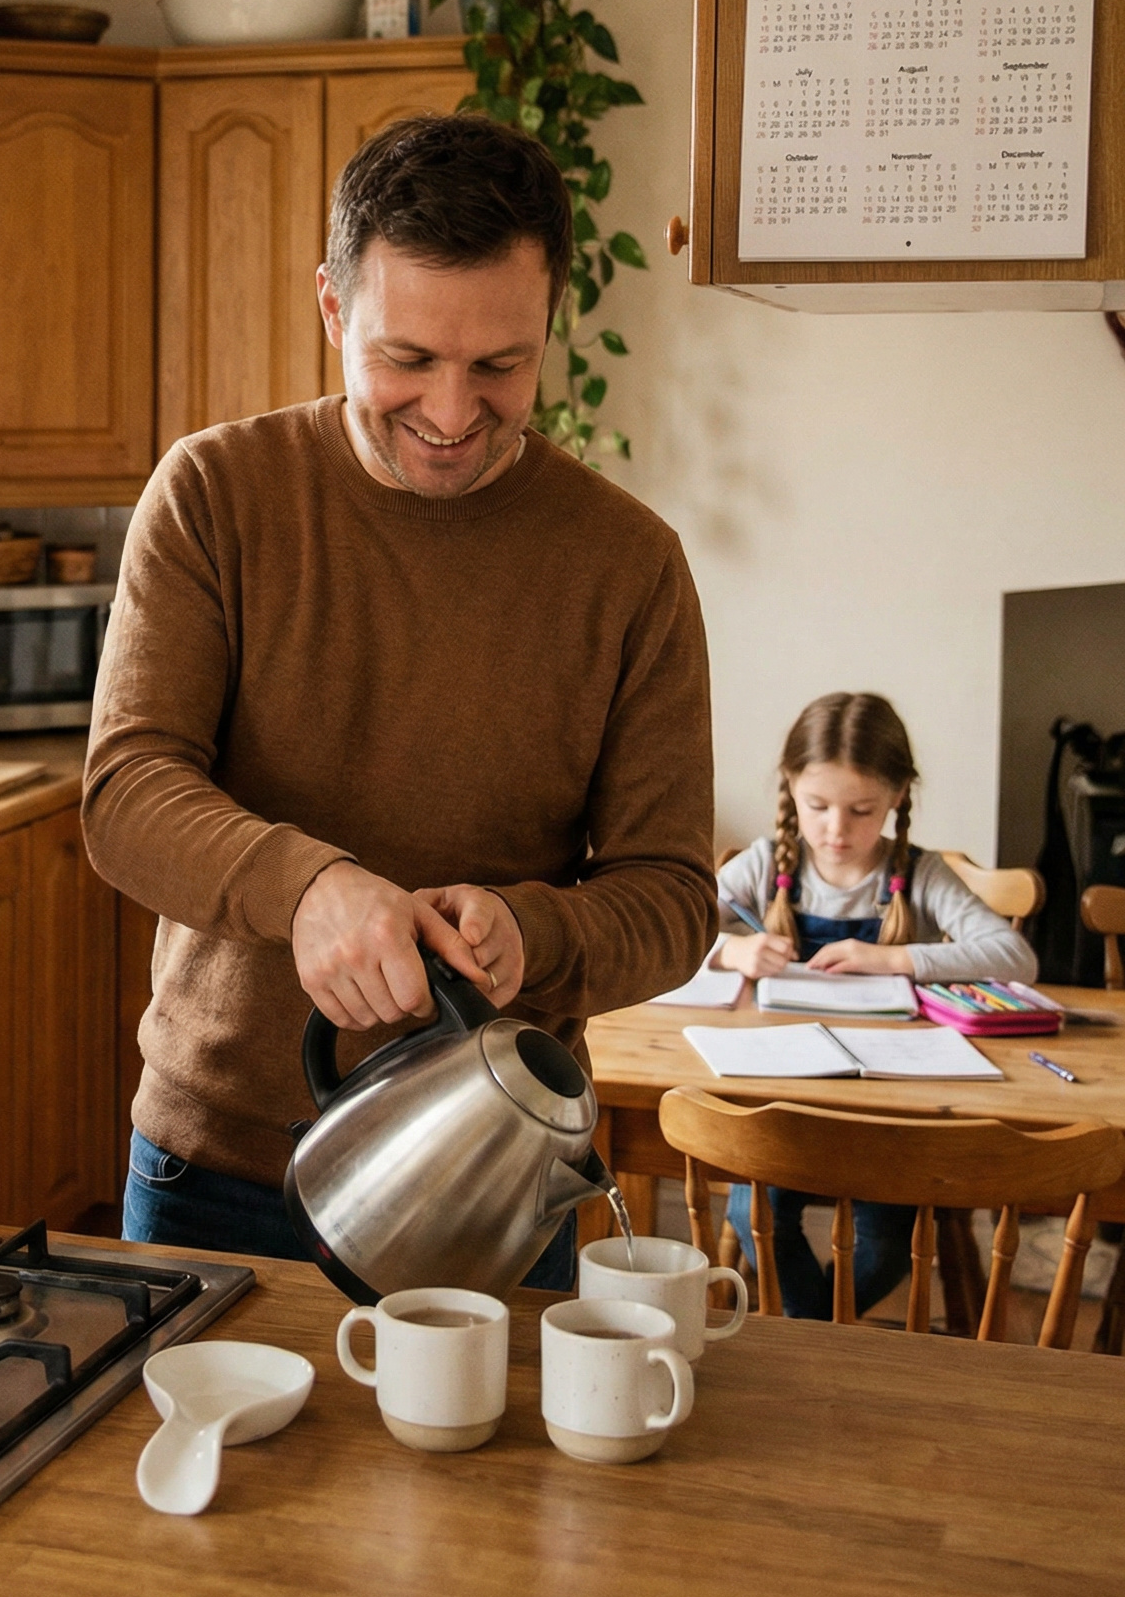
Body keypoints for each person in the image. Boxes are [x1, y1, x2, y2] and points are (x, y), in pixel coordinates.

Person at [83, 111, 716, 1284]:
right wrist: (308, 887)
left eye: (498, 364)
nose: (450, 409)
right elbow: (125, 795)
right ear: (331, 306)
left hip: (491, 1180)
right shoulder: (214, 495)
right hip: (215, 1171)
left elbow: (674, 896)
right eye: (406, 359)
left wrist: (534, 932)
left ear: (548, 325)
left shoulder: (627, 564)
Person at [713, 690, 1038, 1318]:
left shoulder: (917, 874)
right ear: (791, 790)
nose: (837, 830)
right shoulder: (765, 863)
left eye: (861, 810)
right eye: (818, 807)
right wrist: (732, 953)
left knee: (891, 1244)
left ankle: (815, 1335)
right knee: (751, 1214)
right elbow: (670, 926)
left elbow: (1014, 957)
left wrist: (896, 958)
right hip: (785, 1097)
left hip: (890, 1102)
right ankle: (827, 1339)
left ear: (896, 796)